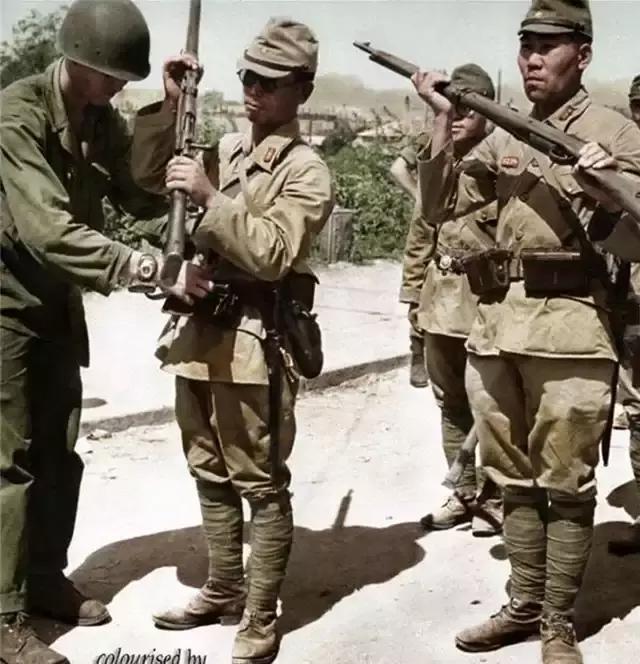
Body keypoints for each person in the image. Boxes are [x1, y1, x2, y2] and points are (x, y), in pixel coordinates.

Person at [412, 1, 640, 662]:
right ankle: (523, 603)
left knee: (565, 484)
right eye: (526, 46)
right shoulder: (503, 134)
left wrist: (605, 182)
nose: (533, 59)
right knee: (512, 478)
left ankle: (557, 624)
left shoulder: (617, 132)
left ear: (583, 55)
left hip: (573, 327)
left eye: (548, 46)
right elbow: (437, 208)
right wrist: (440, 121)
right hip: (496, 326)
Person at [0, 1, 204, 662]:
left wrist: (169, 111)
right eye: (114, 75)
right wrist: (145, 269)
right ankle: (3, 617)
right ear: (78, 60)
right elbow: (47, 230)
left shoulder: (100, 119)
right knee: (7, 462)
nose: (120, 87)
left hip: (56, 305)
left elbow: (139, 196)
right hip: (4, 307)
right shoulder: (18, 116)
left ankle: (41, 579)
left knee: (59, 454)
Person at [131, 18, 334, 664]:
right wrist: (172, 105)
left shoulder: (307, 171)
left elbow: (272, 252)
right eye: (248, 76)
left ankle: (261, 613)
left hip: (255, 339)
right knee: (207, 467)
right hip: (199, 330)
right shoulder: (223, 146)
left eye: (270, 82)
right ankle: (223, 587)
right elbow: (147, 181)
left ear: (302, 90)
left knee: (260, 480)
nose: (253, 90)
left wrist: (211, 196)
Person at [403, 64, 503, 536]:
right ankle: (463, 494)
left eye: (468, 107)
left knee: (493, 405)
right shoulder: (437, 161)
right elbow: (420, 234)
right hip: (440, 300)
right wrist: (412, 297)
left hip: (486, 301)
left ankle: (495, 498)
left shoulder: (501, 164)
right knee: (450, 403)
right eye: (452, 108)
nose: (458, 116)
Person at [393, 133, 432, 388]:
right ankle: (418, 350)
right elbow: (398, 168)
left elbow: (397, 169)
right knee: (419, 276)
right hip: (430, 220)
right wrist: (422, 199)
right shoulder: (428, 139)